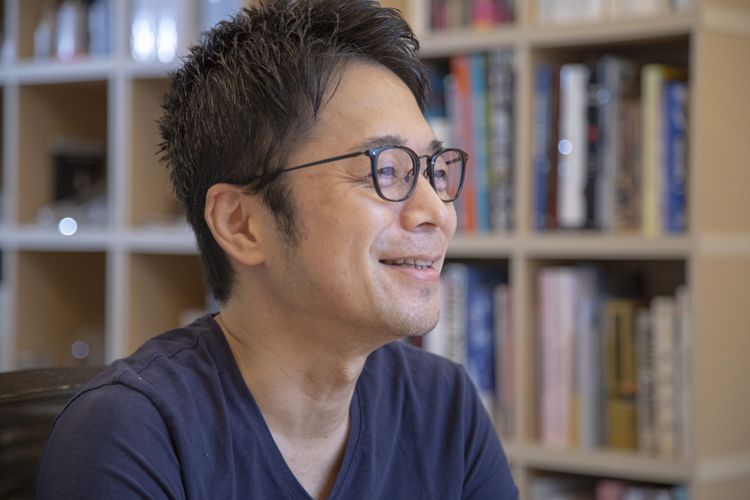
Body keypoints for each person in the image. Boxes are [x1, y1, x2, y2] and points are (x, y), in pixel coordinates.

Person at [37, 1, 519, 498]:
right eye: (386, 170)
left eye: (435, 170)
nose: (438, 212)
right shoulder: (128, 434)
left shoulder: (444, 408)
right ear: (241, 224)